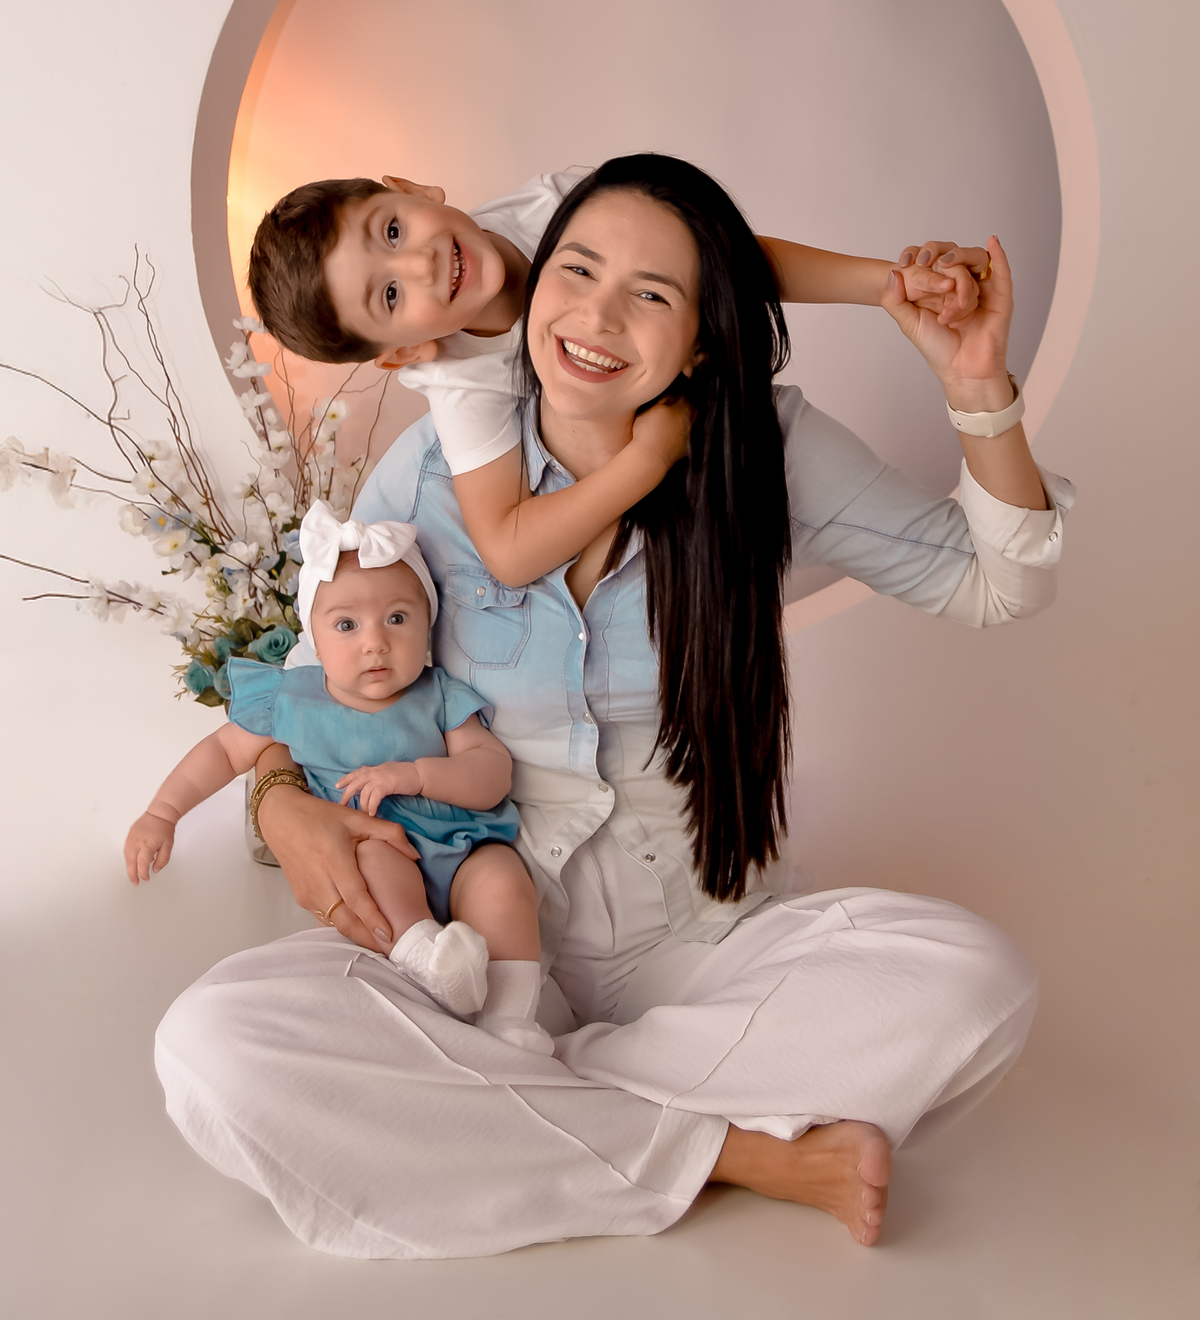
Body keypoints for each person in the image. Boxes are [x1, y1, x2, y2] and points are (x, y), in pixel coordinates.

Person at [156, 155, 1072, 1259]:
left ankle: (523, 1100)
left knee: (975, 983)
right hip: (475, 933)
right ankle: (732, 1149)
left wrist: (978, 385)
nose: (595, 318)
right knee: (213, 1044)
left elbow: (996, 585)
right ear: (535, 282)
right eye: (578, 272)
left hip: (699, 937)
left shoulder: (768, 451)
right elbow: (310, 687)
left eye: (651, 293)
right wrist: (280, 804)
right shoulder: (436, 468)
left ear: (702, 336)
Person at [247, 166, 990, 587]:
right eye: (390, 296)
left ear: (411, 187)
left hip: (721, 395)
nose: (420, 262)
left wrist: (890, 284)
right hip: (668, 459)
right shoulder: (460, 381)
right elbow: (507, 552)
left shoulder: (558, 207)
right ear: (403, 354)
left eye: (393, 229)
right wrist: (648, 459)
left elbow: (725, 258)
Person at [127, 500, 552, 1051]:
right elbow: (222, 753)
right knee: (372, 858)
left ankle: (511, 1021)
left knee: (503, 879)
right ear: (313, 636)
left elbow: (491, 773)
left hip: (463, 848)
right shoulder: (292, 699)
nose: (375, 642)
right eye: (347, 625)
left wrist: (418, 775)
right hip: (374, 853)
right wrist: (163, 813)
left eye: (397, 619)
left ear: (428, 624)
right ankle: (427, 959)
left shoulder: (440, 695)